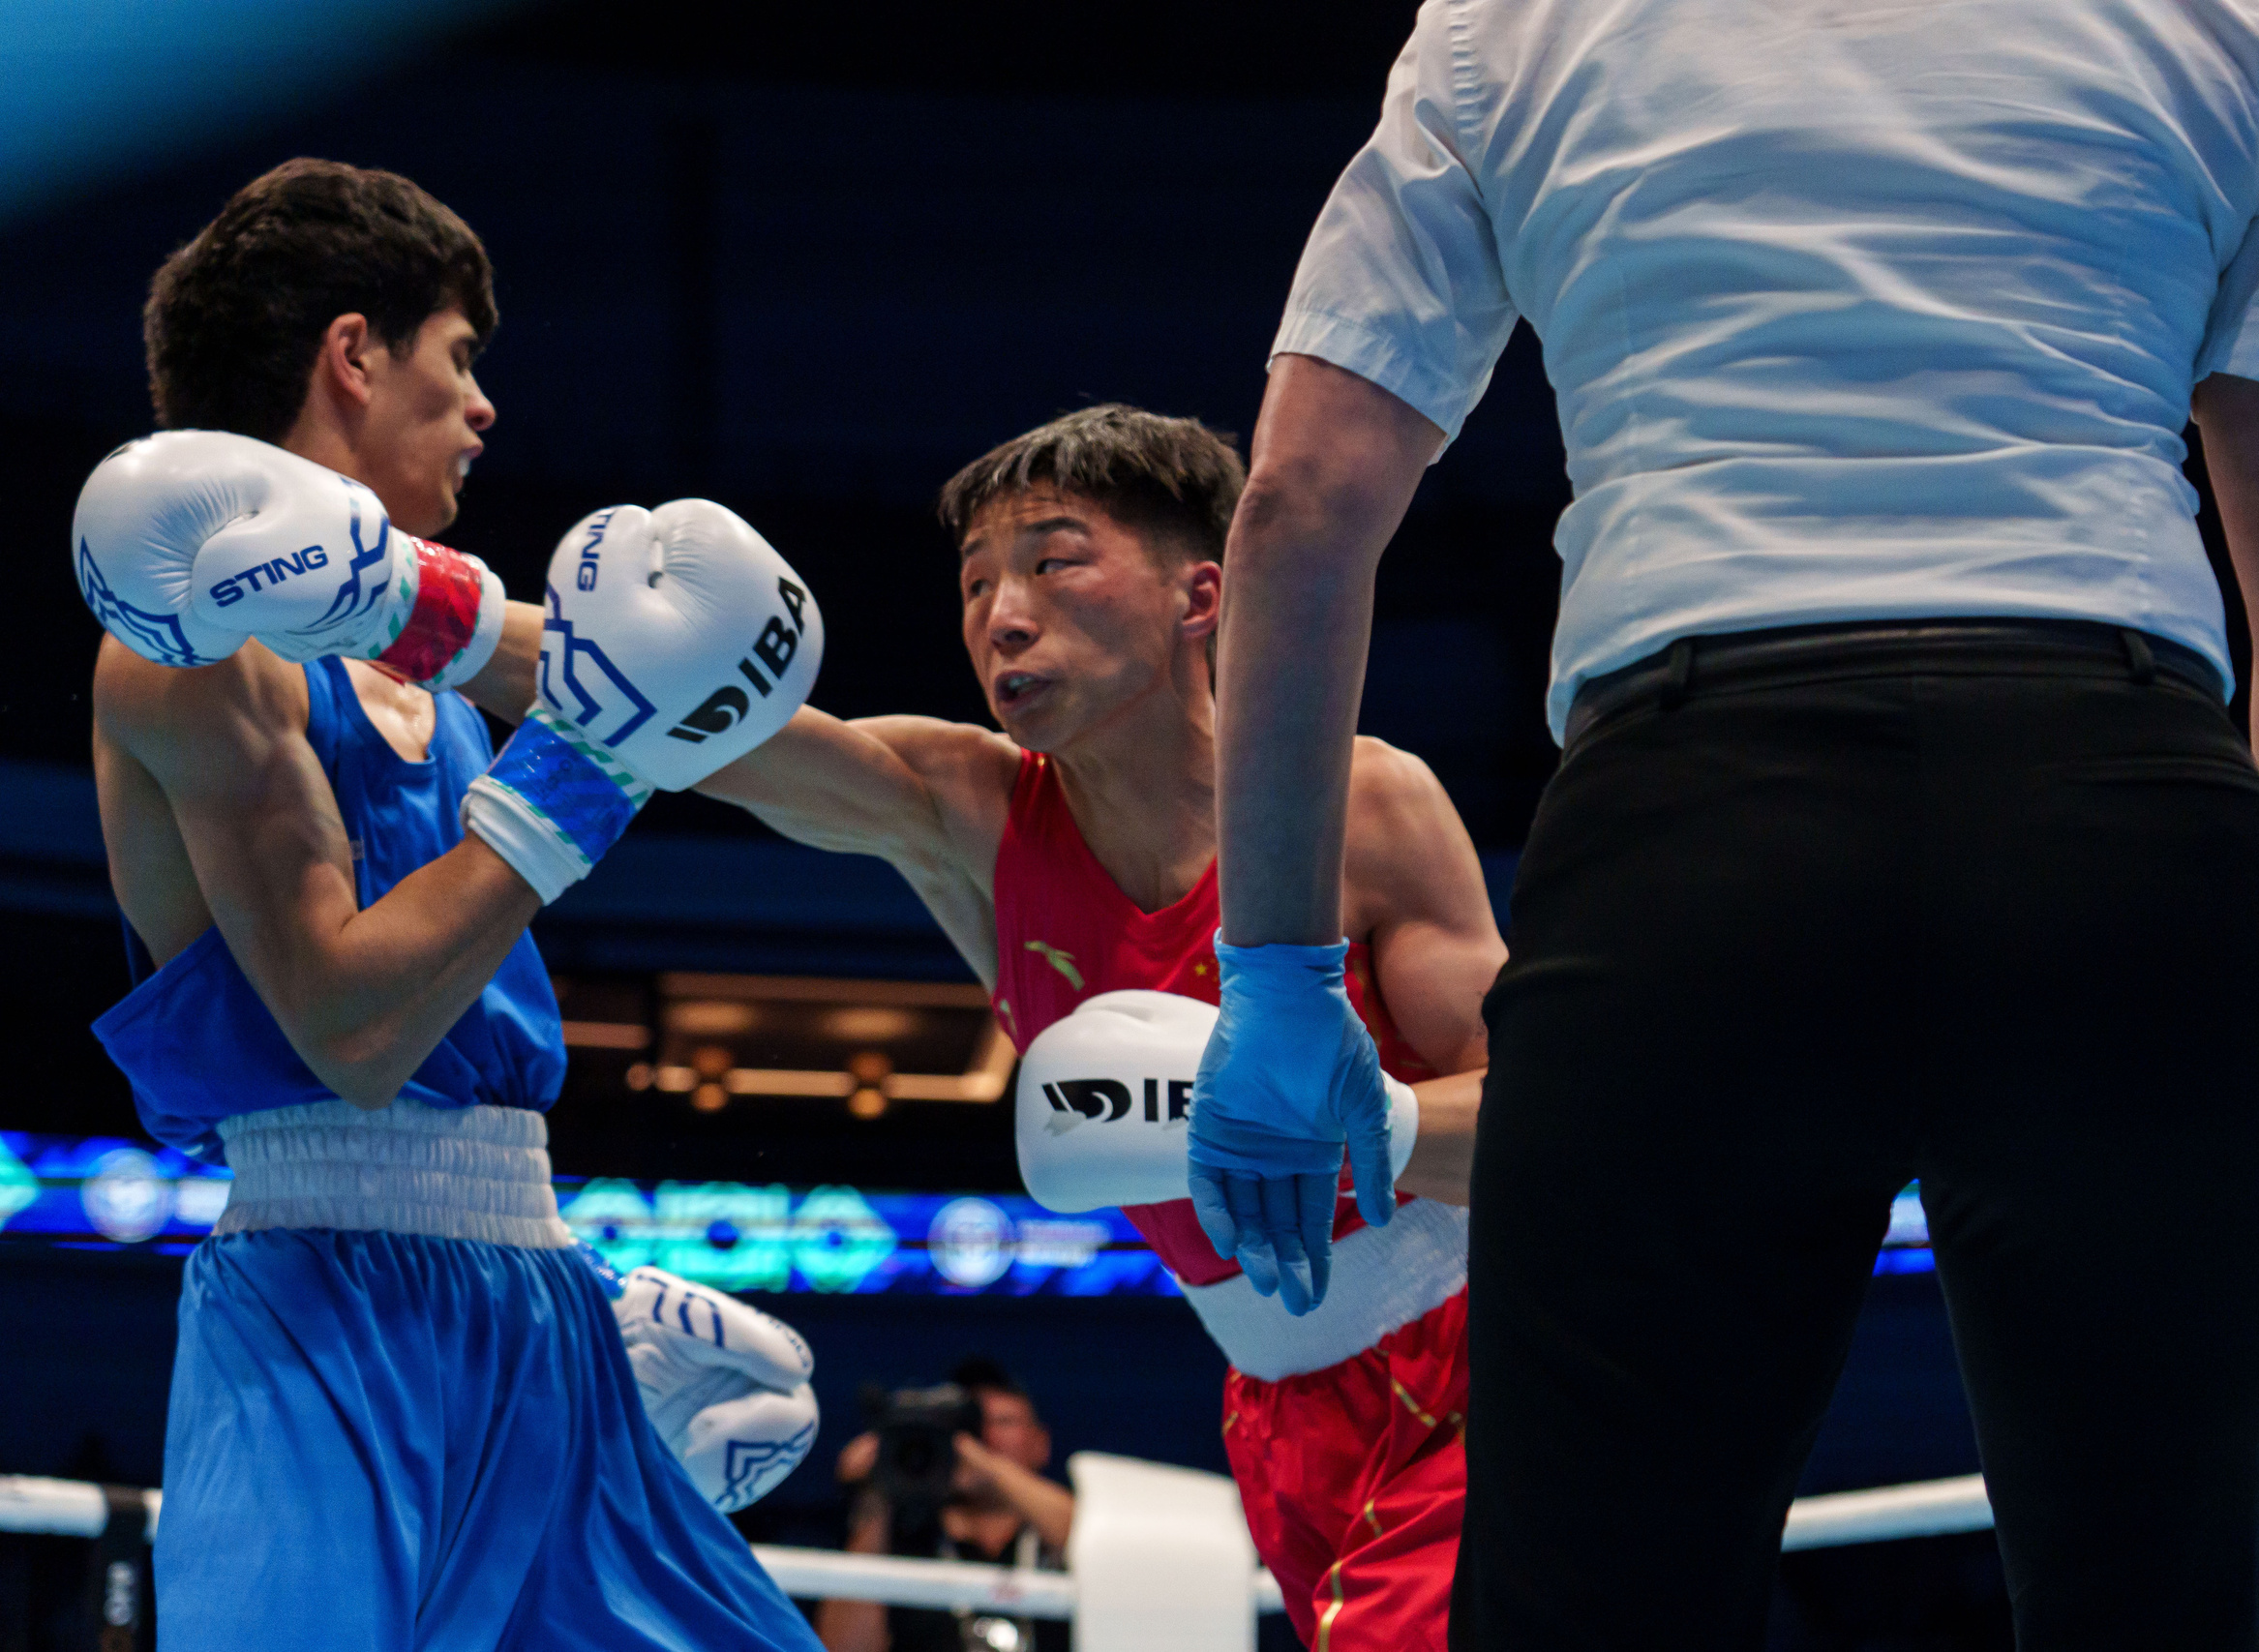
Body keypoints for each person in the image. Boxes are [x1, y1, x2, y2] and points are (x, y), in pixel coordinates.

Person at [1190, 1, 2259, 1647]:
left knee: (1589, 1612)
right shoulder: (2231, 21)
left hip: (1696, 840)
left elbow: (1298, 504)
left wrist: (1276, 971)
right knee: (2153, 1605)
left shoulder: (1511, 23)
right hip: (2126, 833)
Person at [77, 158, 823, 1649]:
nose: (484, 408)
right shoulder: (189, 652)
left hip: (533, 1299)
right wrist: (593, 761)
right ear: (354, 354)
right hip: (319, 1326)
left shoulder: (436, 667)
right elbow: (352, 1028)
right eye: (460, 356)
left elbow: (704, 713)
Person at [696, 404, 1505, 1649]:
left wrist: (1356, 1122)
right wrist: (437, 612)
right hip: (1275, 1410)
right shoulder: (970, 812)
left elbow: (1546, 1132)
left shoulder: (1363, 803)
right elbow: (674, 716)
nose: (1002, 616)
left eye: (1053, 563)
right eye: (976, 584)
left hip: (1477, 1369)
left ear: (1198, 596)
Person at [815, 1359, 1076, 1652]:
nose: (986, 1437)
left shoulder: (1057, 1531)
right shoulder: (904, 1536)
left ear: (1041, 1443)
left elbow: (1088, 1535)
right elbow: (841, 1648)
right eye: (971, 1426)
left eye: (1004, 1422)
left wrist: (988, 1467)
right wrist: (876, 1493)